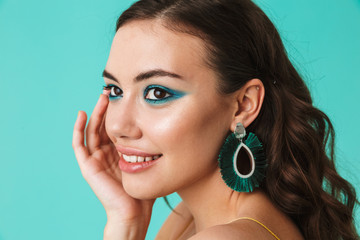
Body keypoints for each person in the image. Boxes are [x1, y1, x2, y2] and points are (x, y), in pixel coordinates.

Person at [72, 0, 359, 239]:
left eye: (157, 93)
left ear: (243, 105)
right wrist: (127, 221)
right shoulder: (190, 217)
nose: (118, 126)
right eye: (115, 90)